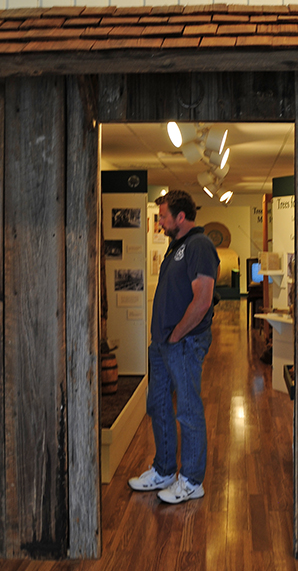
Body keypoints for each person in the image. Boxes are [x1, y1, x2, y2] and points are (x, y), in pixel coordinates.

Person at [128, 190, 219, 504]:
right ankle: (164, 470)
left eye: (164, 216)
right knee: (158, 406)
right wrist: (165, 339)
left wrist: (177, 334)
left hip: (183, 342)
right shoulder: (175, 247)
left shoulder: (199, 245)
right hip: (163, 344)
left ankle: (192, 481)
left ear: (181, 217)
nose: (160, 222)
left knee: (188, 410)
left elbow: (203, 299)